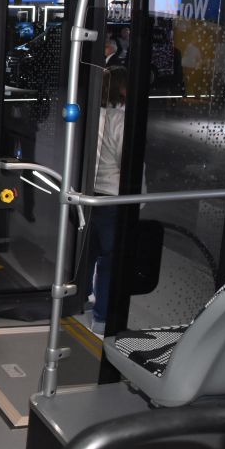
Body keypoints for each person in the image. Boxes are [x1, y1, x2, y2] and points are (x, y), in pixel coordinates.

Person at [87, 65, 128, 335]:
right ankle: (101, 318)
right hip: (113, 198)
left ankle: (79, 299)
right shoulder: (120, 121)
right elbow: (128, 161)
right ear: (122, 89)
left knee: (87, 255)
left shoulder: (91, 116)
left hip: (88, 195)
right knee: (110, 261)